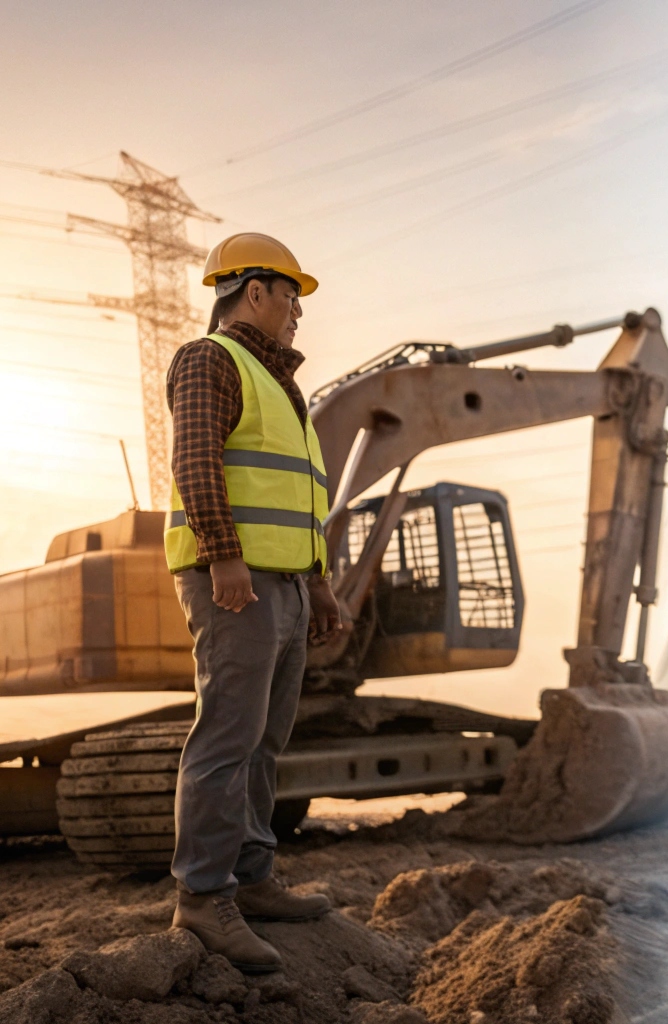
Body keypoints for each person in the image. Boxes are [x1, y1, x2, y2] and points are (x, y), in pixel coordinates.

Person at [163, 232, 344, 972]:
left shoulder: (284, 385)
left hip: (288, 584)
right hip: (236, 582)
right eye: (291, 296)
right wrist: (223, 555)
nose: (299, 312)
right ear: (255, 290)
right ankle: (203, 898)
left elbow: (301, 500)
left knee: (264, 740)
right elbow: (196, 458)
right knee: (227, 739)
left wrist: (320, 580)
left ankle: (252, 876)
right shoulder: (211, 359)